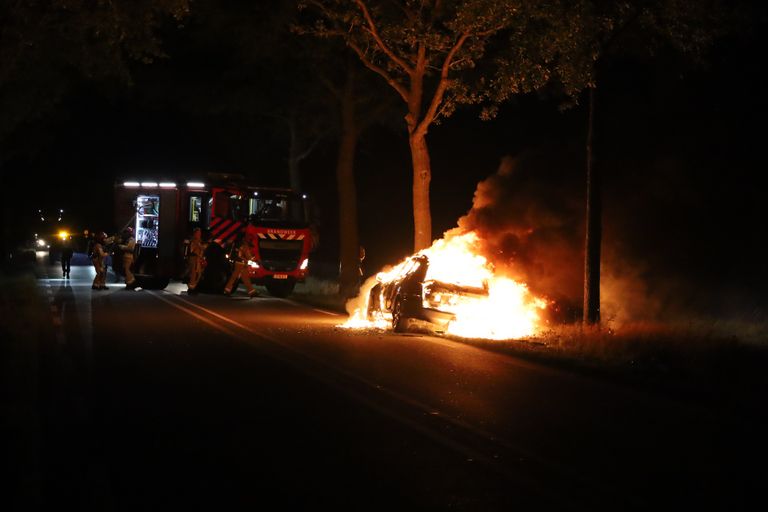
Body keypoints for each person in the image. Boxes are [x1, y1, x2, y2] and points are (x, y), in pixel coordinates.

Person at [186, 227, 207, 294]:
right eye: (198, 233)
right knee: (193, 274)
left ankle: (193, 287)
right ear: (195, 234)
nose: (199, 234)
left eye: (200, 233)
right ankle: (191, 288)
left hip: (198, 260)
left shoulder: (199, 241)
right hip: (194, 259)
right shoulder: (194, 241)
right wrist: (199, 249)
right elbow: (193, 250)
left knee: (198, 274)